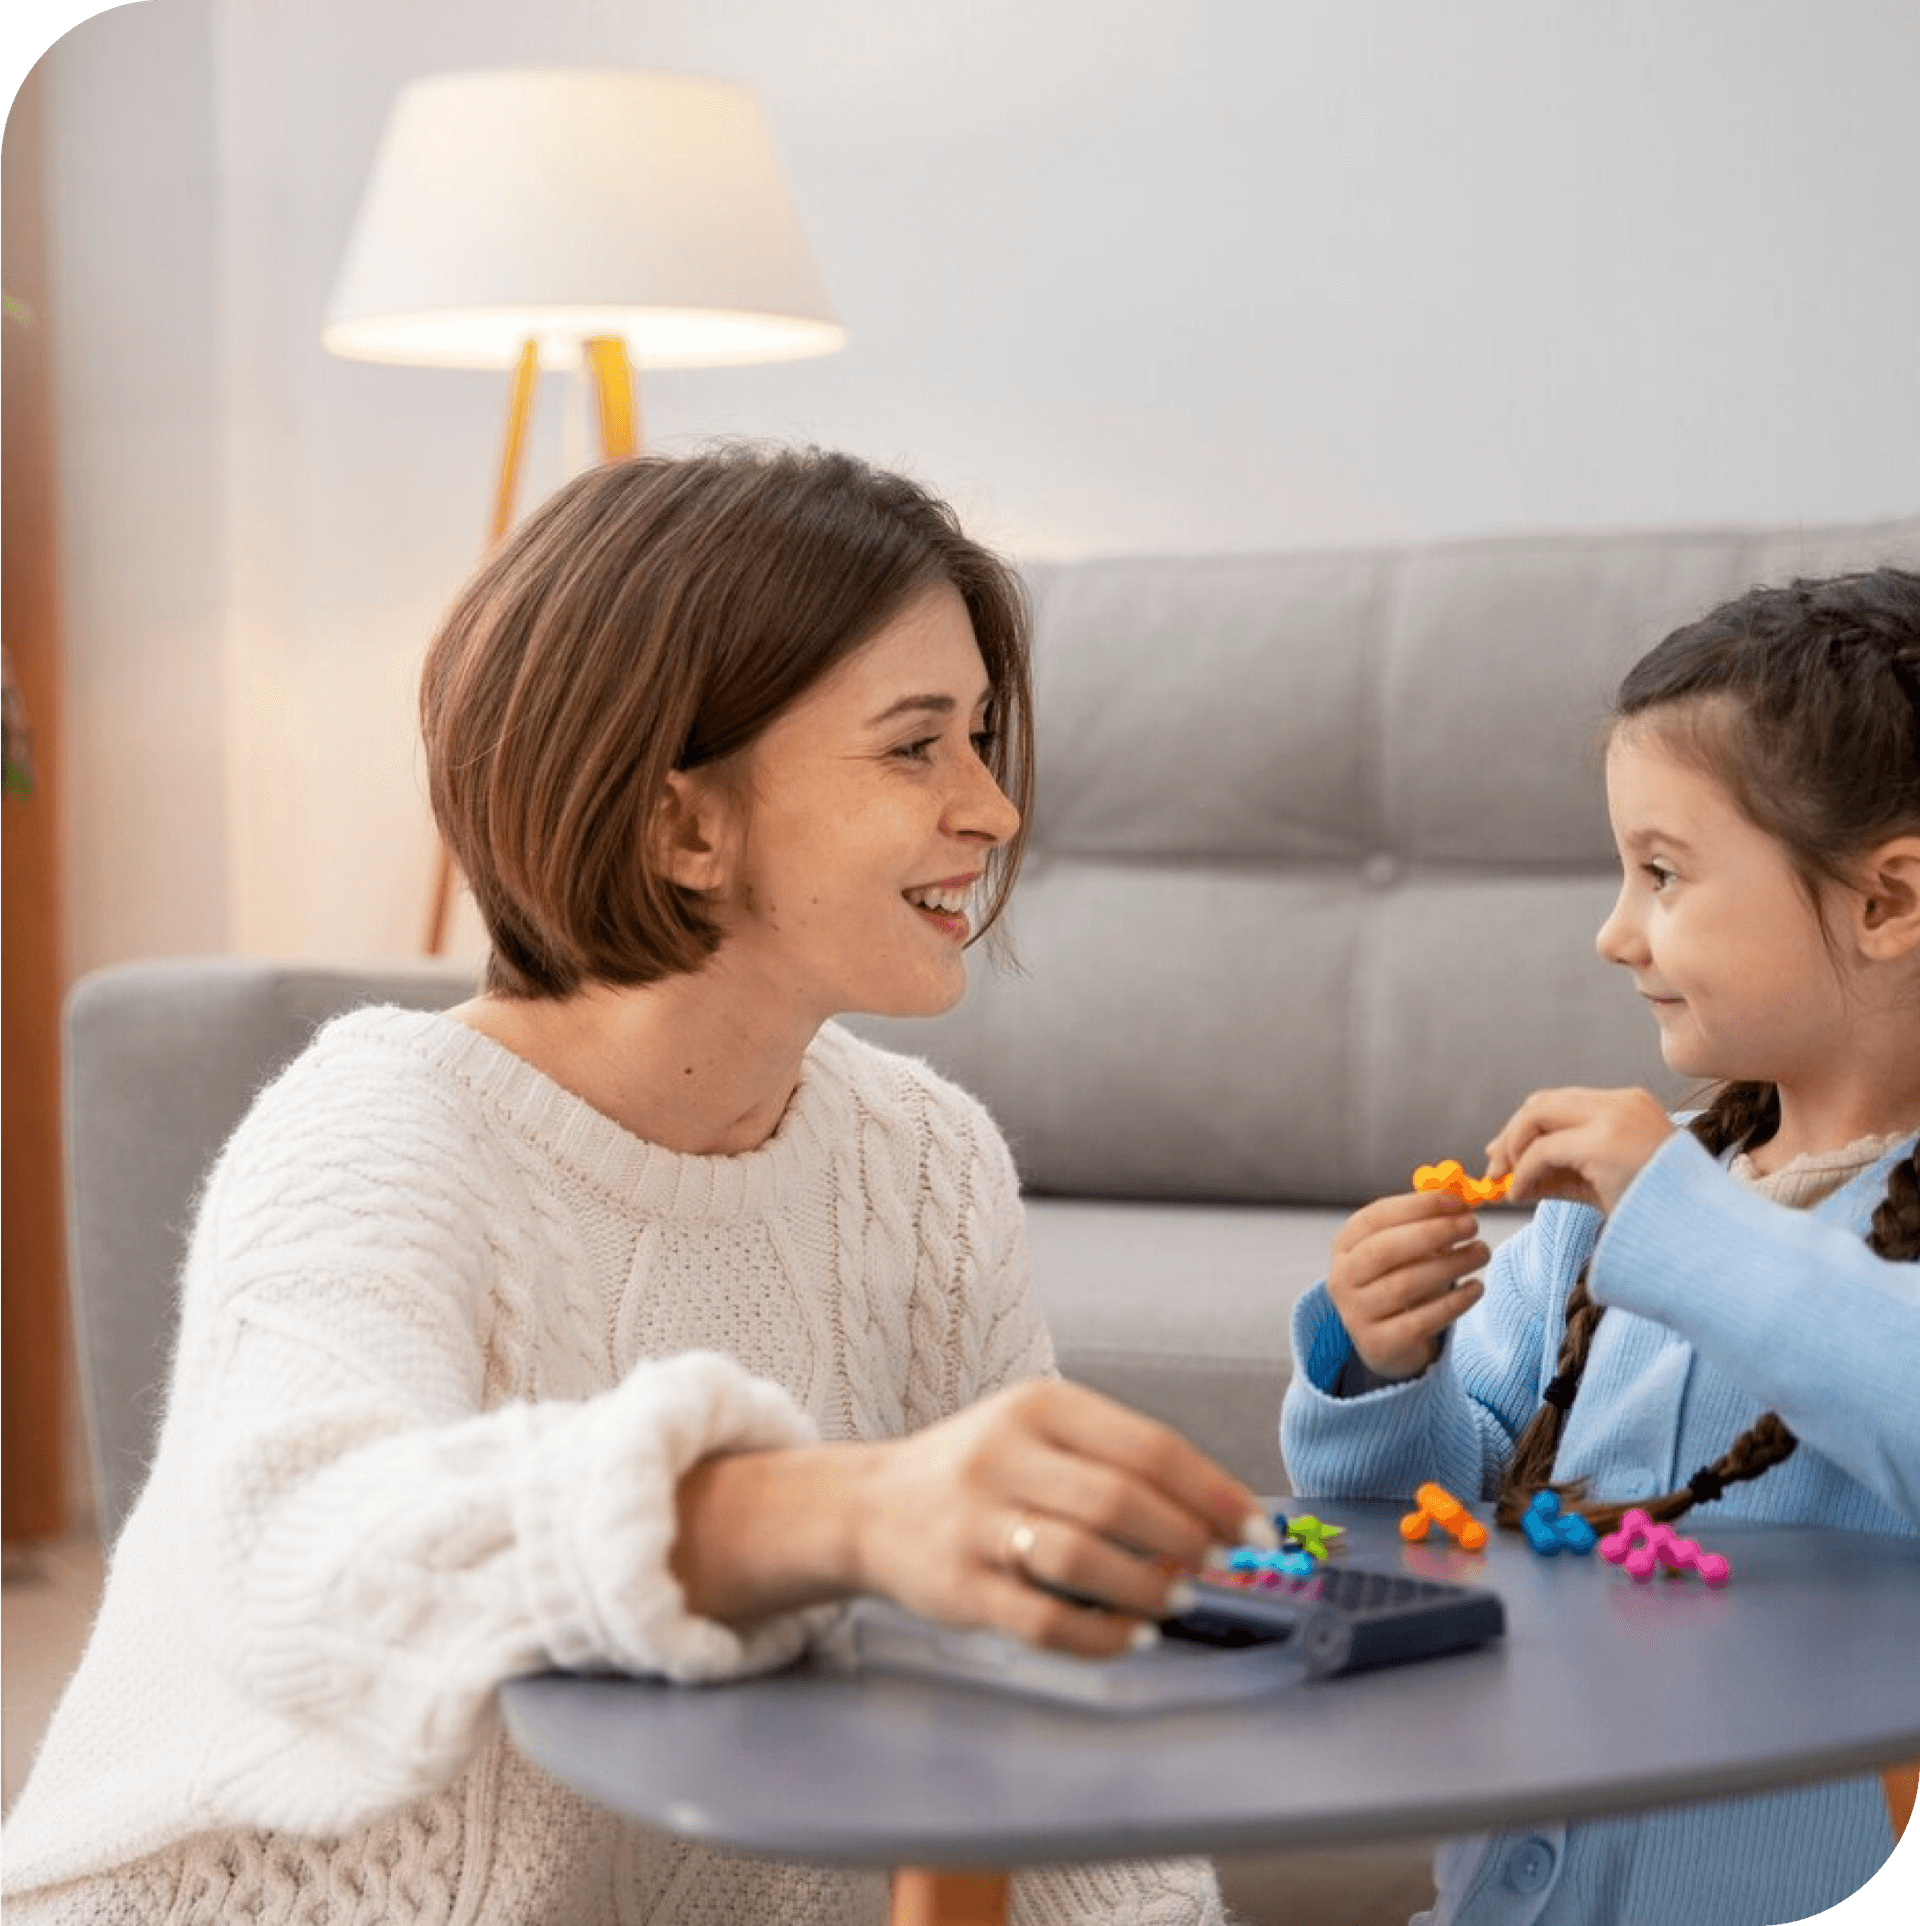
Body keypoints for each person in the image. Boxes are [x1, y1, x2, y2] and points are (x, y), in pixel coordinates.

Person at [2, 446, 1272, 1925]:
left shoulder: (925, 1164)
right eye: (916, 744)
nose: (992, 810)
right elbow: (293, 1554)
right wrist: (836, 1511)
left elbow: (1028, 1685)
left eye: (983, 738)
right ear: (684, 824)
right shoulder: (374, 1126)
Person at [1280, 567, 1920, 1926]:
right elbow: (1450, 1509)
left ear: (1891, 898)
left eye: (1664, 873)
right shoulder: (1605, 1203)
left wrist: (1679, 1221)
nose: (1613, 931)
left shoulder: (1657, 1201)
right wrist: (1380, 1371)